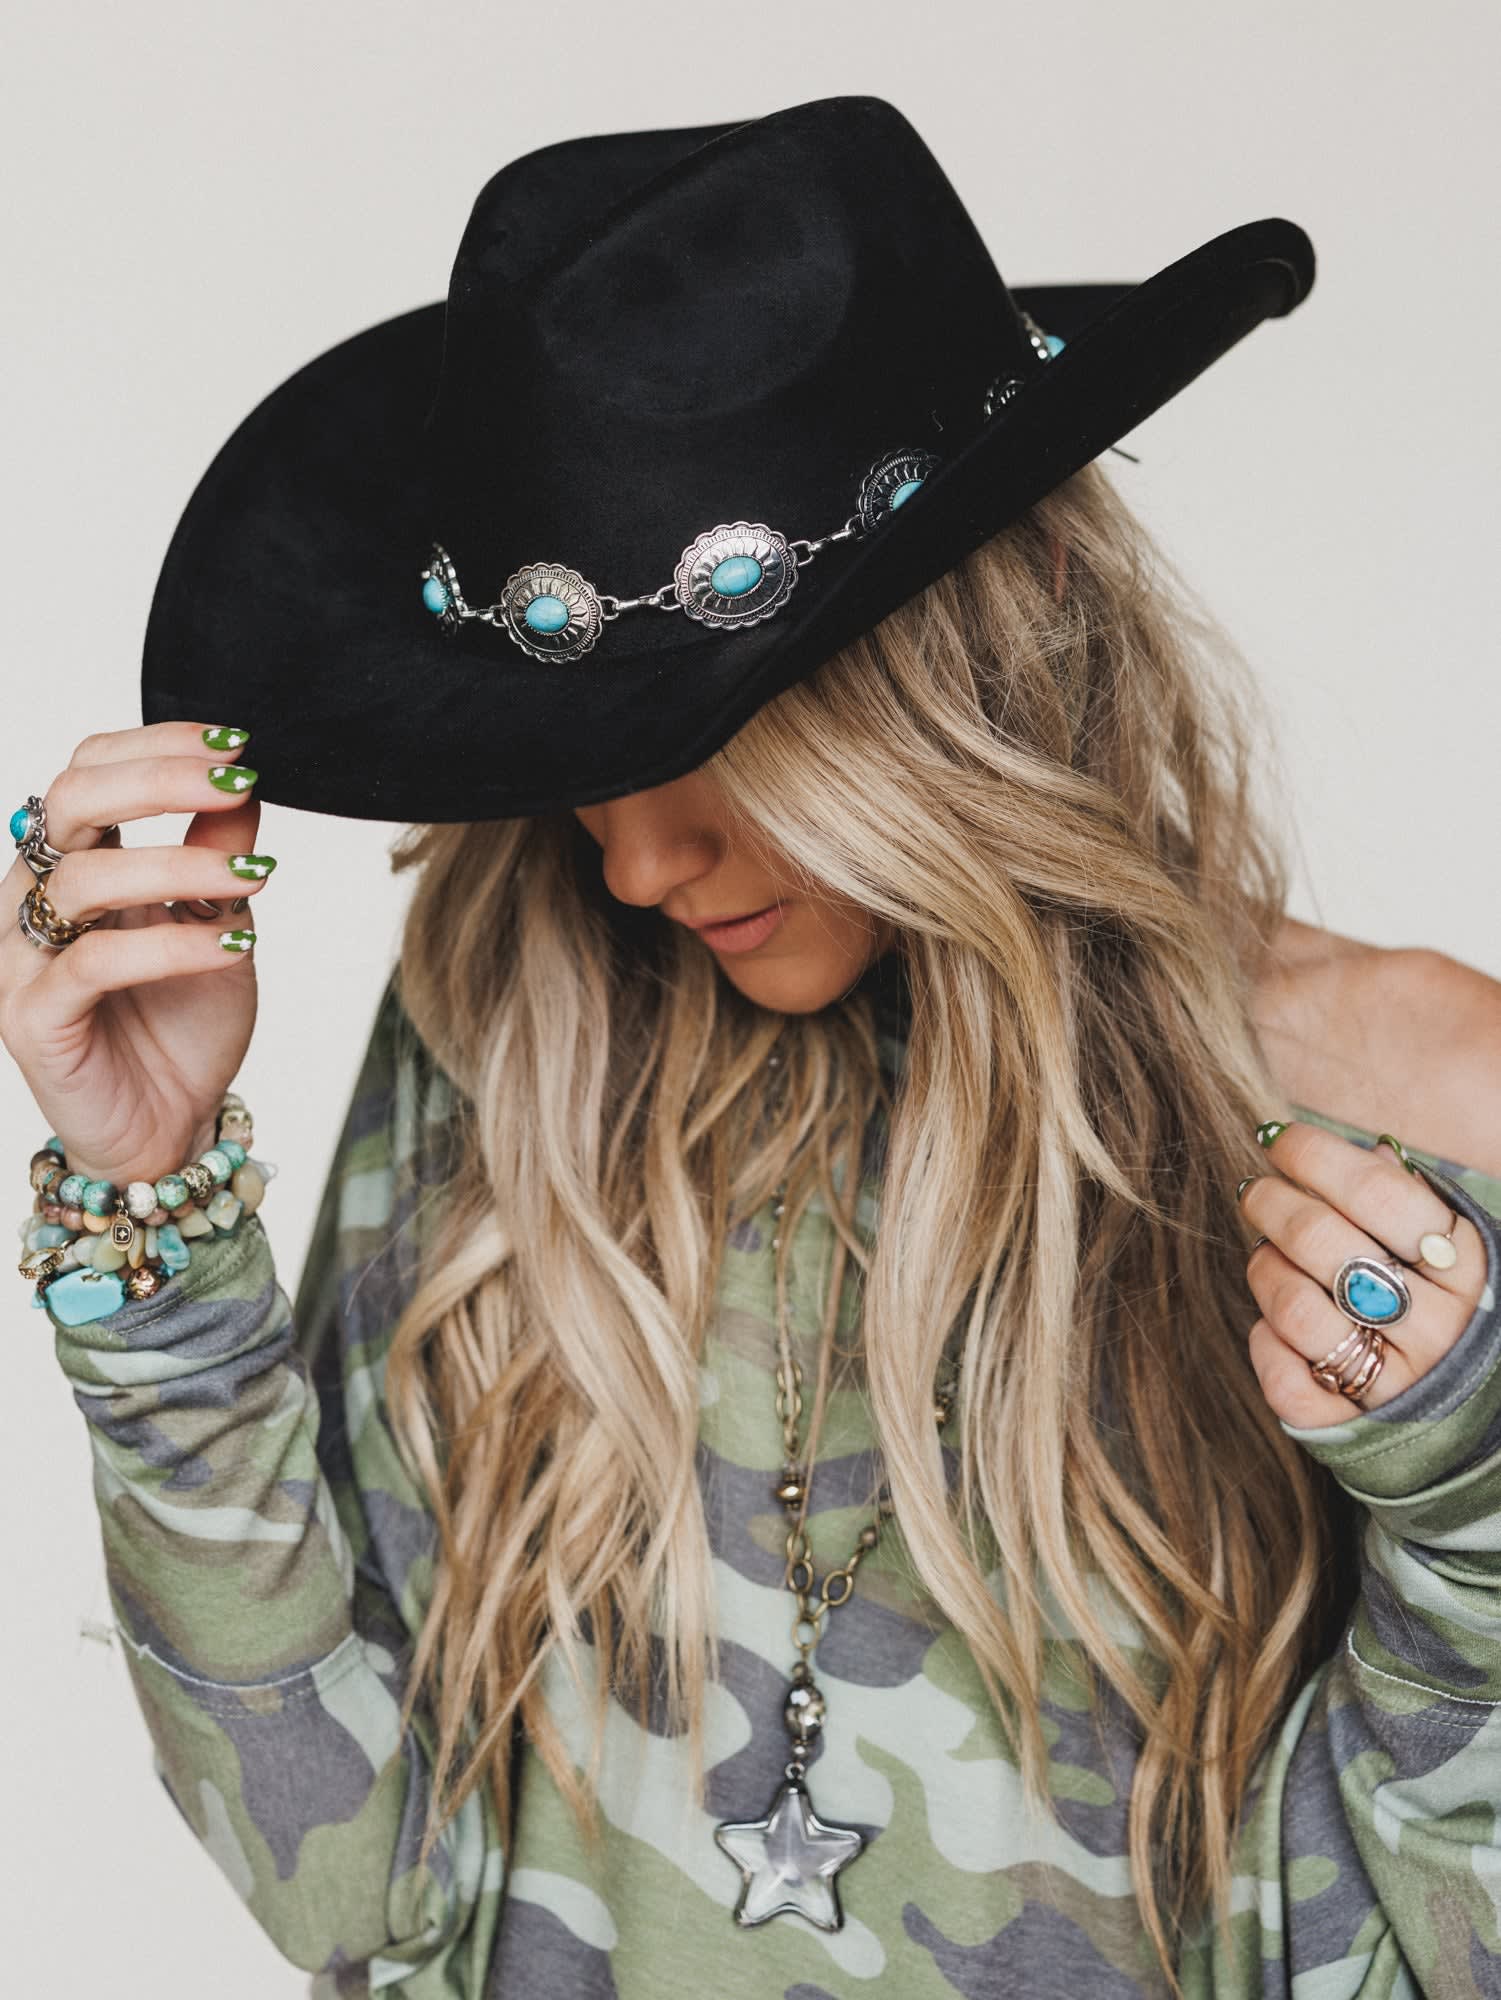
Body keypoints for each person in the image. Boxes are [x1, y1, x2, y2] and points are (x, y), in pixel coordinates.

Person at [8, 94, 1501, 2000]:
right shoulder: (525, 1023)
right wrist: (156, 1238)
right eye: (574, 755)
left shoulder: (1399, 1118)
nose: (632, 866)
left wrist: (1468, 1524)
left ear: (1000, 618)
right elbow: (345, 1893)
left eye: (715, 730)